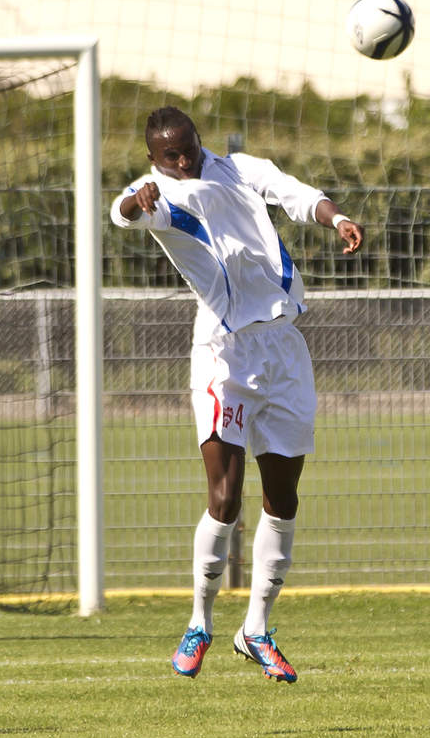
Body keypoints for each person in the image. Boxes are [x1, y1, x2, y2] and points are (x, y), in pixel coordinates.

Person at [110, 106, 363, 683]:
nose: (183, 160)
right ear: (154, 158)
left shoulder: (240, 170)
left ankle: (256, 630)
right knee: (225, 496)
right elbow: (121, 212)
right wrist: (137, 199)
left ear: (199, 141)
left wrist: (337, 217)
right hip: (224, 353)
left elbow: (296, 194)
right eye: (169, 155)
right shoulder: (160, 194)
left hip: (284, 348)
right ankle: (199, 621)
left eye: (189, 148)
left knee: (284, 497)